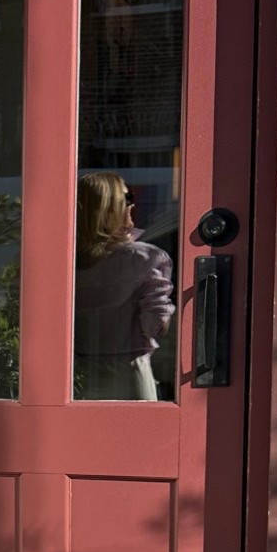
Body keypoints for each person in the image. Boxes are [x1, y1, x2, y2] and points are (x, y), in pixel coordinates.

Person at [72, 170, 175, 399]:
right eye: (127, 199)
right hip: (129, 369)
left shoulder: (69, 261)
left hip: (76, 373)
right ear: (111, 209)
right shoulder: (145, 258)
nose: (132, 204)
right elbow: (157, 324)